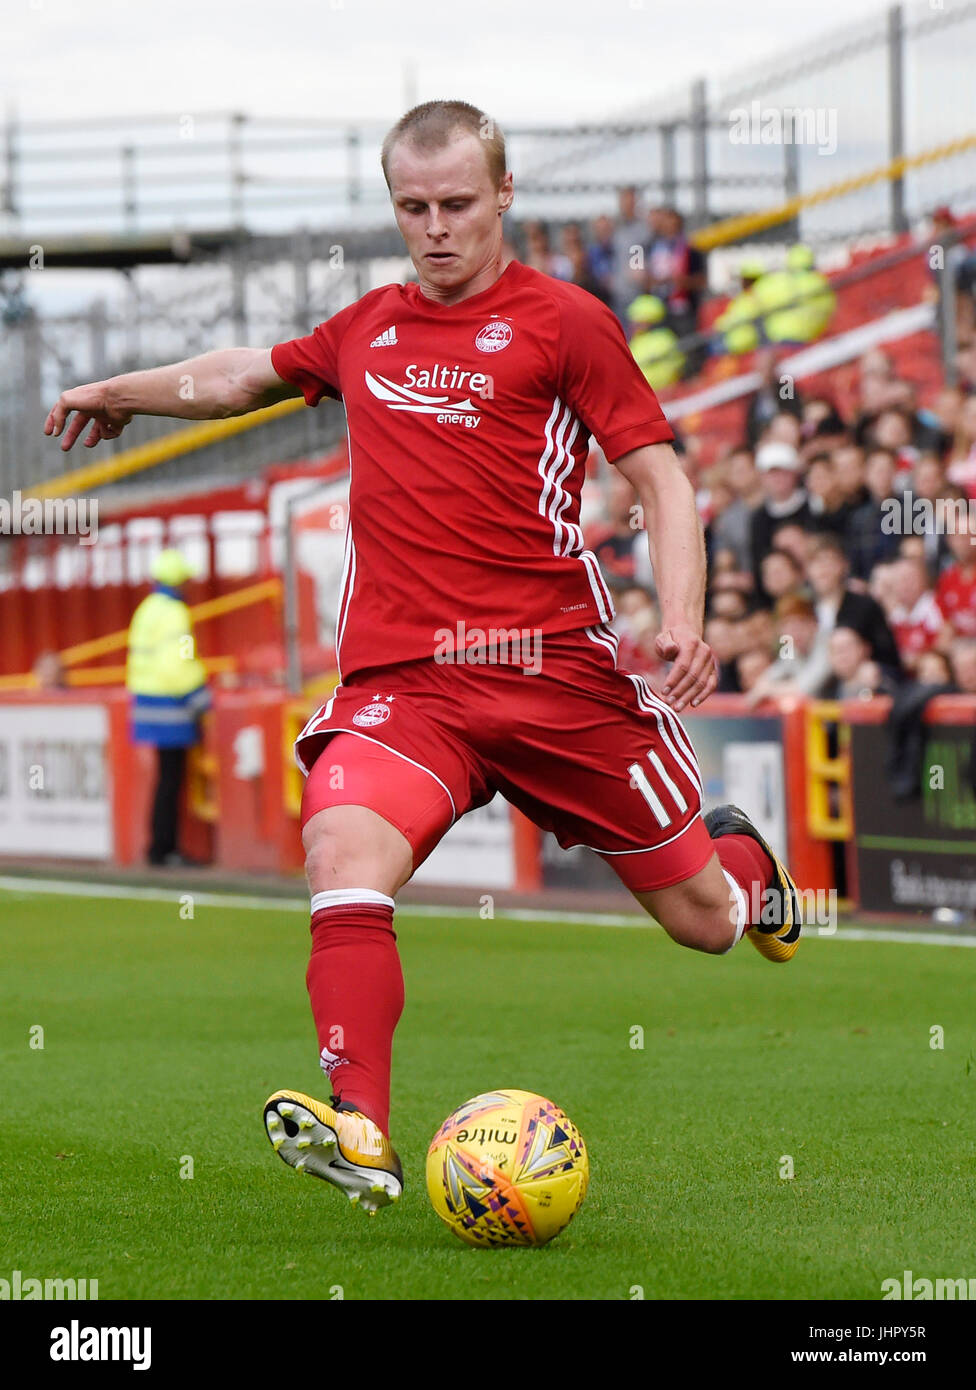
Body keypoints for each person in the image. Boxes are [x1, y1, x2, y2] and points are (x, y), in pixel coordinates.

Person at [45, 99, 803, 1219]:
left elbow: (663, 478)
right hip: (407, 685)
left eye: (457, 203)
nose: (436, 227)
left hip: (557, 676)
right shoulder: (368, 327)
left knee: (704, 923)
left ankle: (742, 867)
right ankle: (360, 1125)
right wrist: (117, 391)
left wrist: (682, 614)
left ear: (503, 196)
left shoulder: (567, 322)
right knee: (341, 847)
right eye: (413, 207)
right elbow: (242, 373)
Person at [125, 548, 210, 867]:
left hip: (147, 704)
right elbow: (179, 663)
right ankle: (165, 848)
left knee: (165, 780)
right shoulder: (174, 613)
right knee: (172, 780)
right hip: (171, 706)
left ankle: (159, 847)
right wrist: (201, 697)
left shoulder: (147, 609)